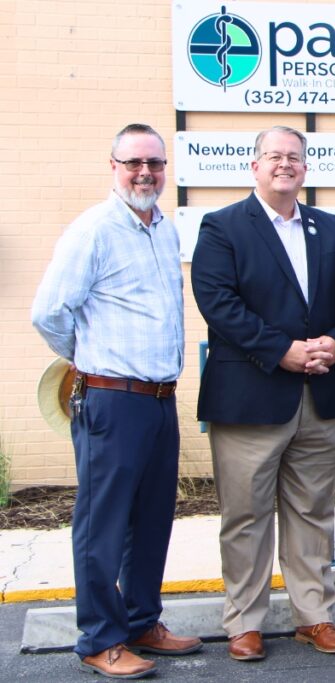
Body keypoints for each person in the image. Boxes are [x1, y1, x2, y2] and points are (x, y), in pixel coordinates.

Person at [191, 126, 335, 661]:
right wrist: (282, 349)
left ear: (305, 169)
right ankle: (244, 621)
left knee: (313, 510)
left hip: (319, 393)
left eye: (294, 157)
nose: (284, 164)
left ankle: (314, 616)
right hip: (251, 395)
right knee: (244, 515)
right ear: (254, 166)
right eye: (274, 156)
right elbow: (218, 302)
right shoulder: (222, 227)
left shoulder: (329, 227)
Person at [31, 123, 201, 679]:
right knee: (101, 524)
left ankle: (139, 620)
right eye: (134, 163)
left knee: (152, 518)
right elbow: (50, 312)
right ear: (114, 166)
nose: (146, 173)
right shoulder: (94, 230)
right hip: (110, 398)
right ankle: (98, 638)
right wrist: (89, 358)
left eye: (155, 163)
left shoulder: (164, 229)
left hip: (157, 399)